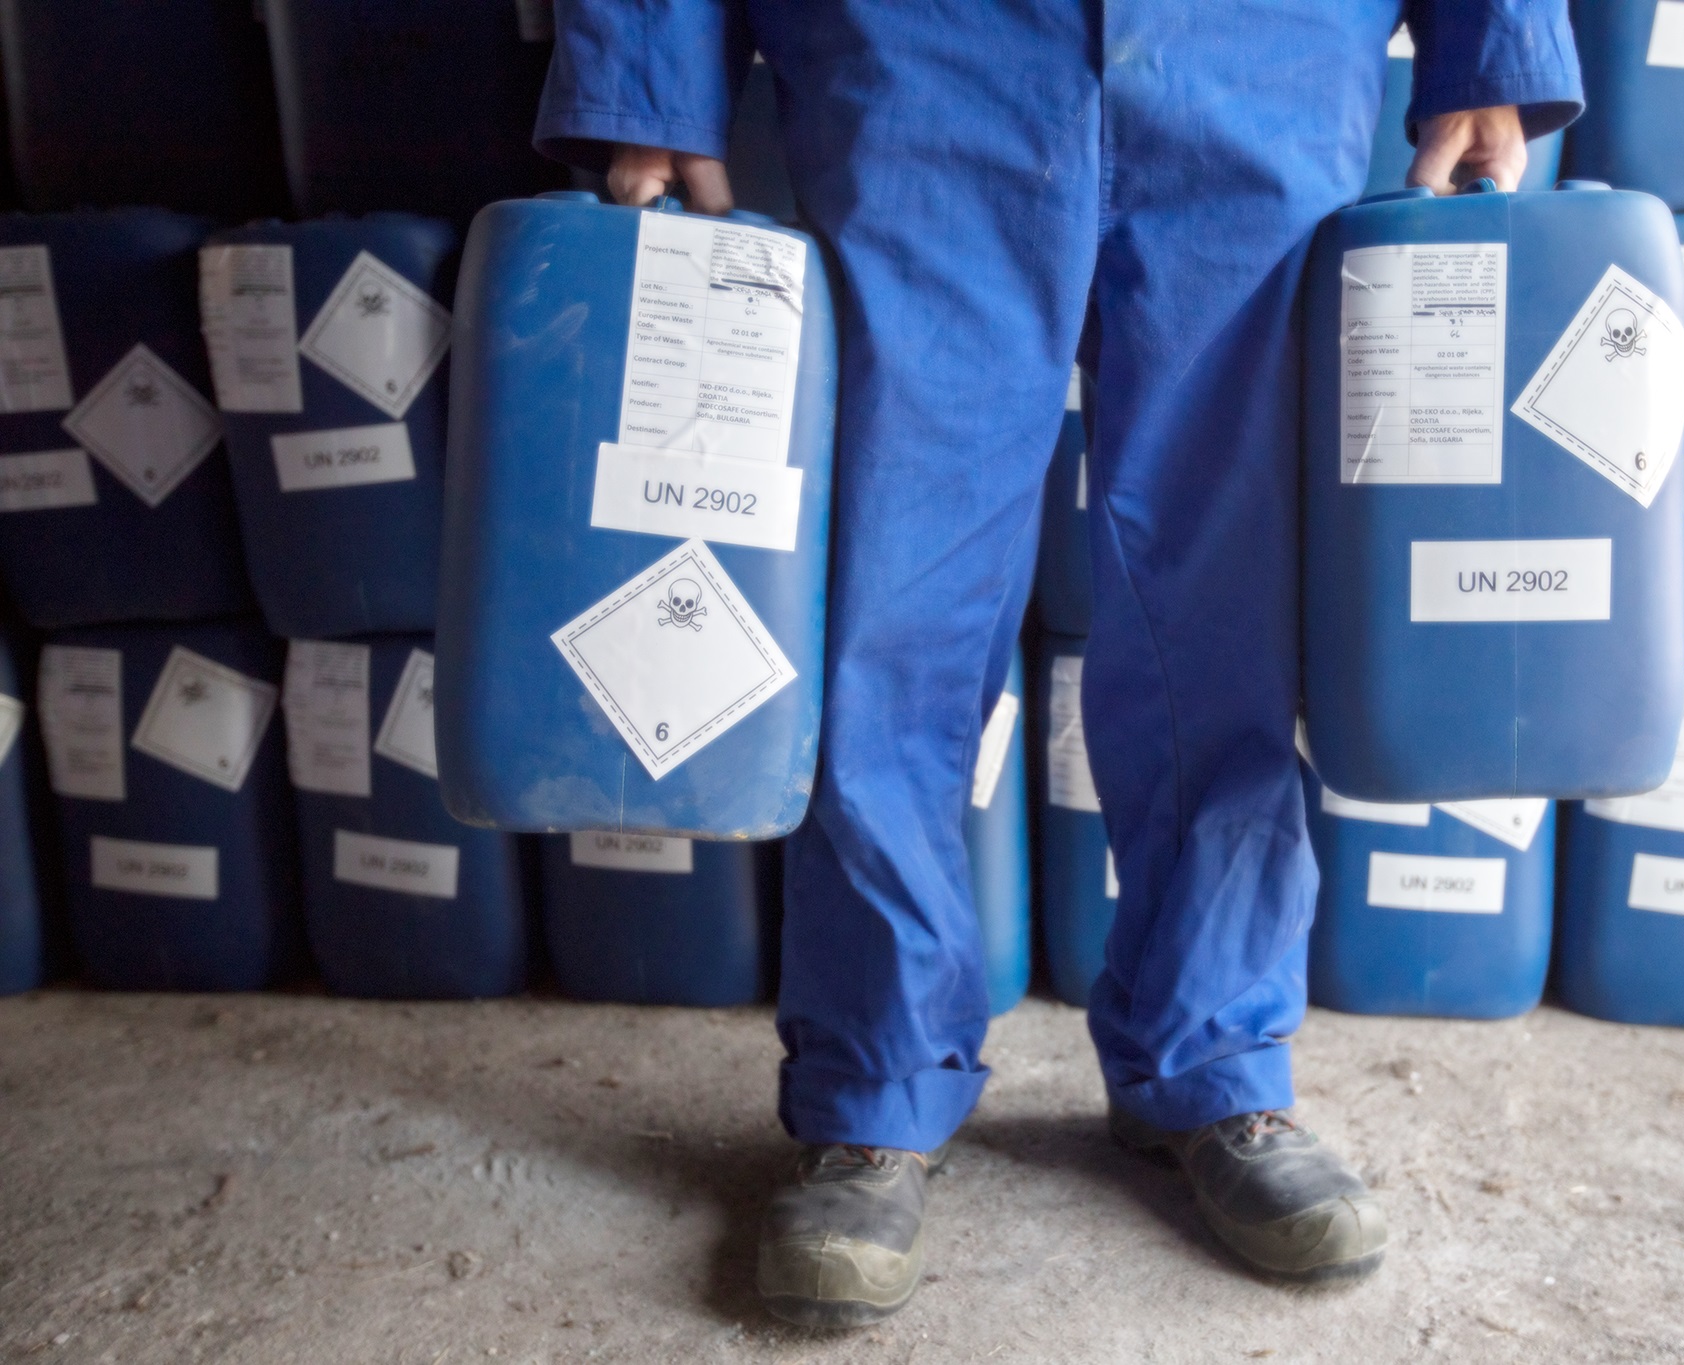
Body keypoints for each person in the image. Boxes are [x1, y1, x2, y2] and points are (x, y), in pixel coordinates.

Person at [536, 0, 1581, 1327]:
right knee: (887, 591)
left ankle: (1215, 1058)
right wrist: (644, 64)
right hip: (929, 45)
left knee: (1229, 596)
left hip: (1263, 44)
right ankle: (872, 1086)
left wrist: (1496, 44)